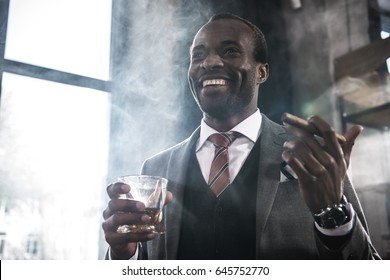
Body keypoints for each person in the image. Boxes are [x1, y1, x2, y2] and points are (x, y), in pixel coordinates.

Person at [102, 13, 380, 260]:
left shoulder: (313, 157)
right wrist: (122, 255)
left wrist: (333, 216)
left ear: (262, 72)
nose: (209, 62)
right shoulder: (156, 168)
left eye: (231, 51)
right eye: (197, 55)